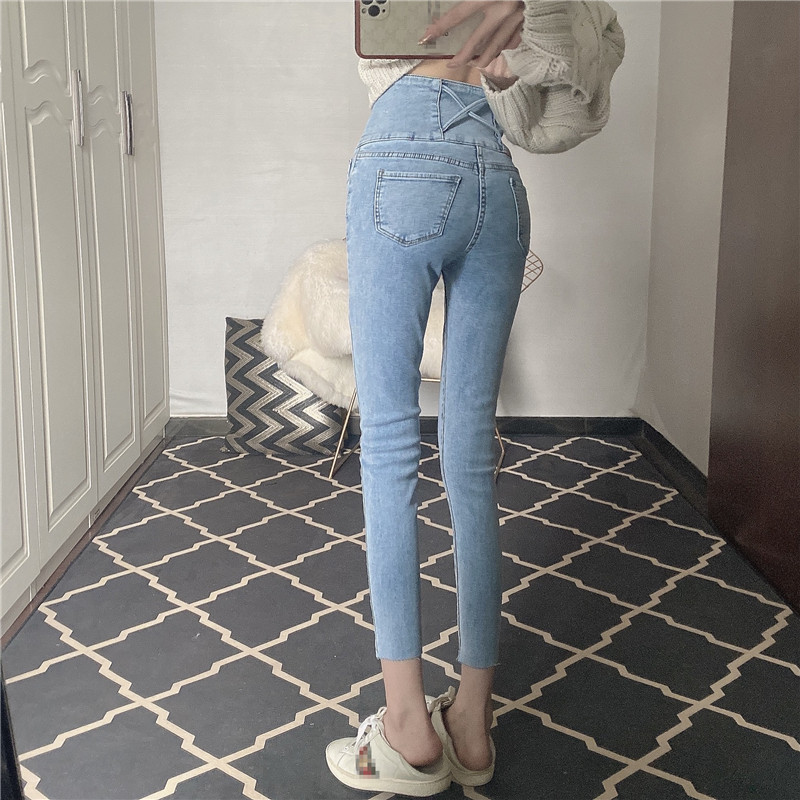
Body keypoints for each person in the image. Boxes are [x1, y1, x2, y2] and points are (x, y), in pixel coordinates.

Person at [325, 2, 624, 795]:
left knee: (390, 446)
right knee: (468, 459)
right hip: (495, 172)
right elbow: (578, 87)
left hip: (400, 154)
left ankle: (406, 726)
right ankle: (471, 726)